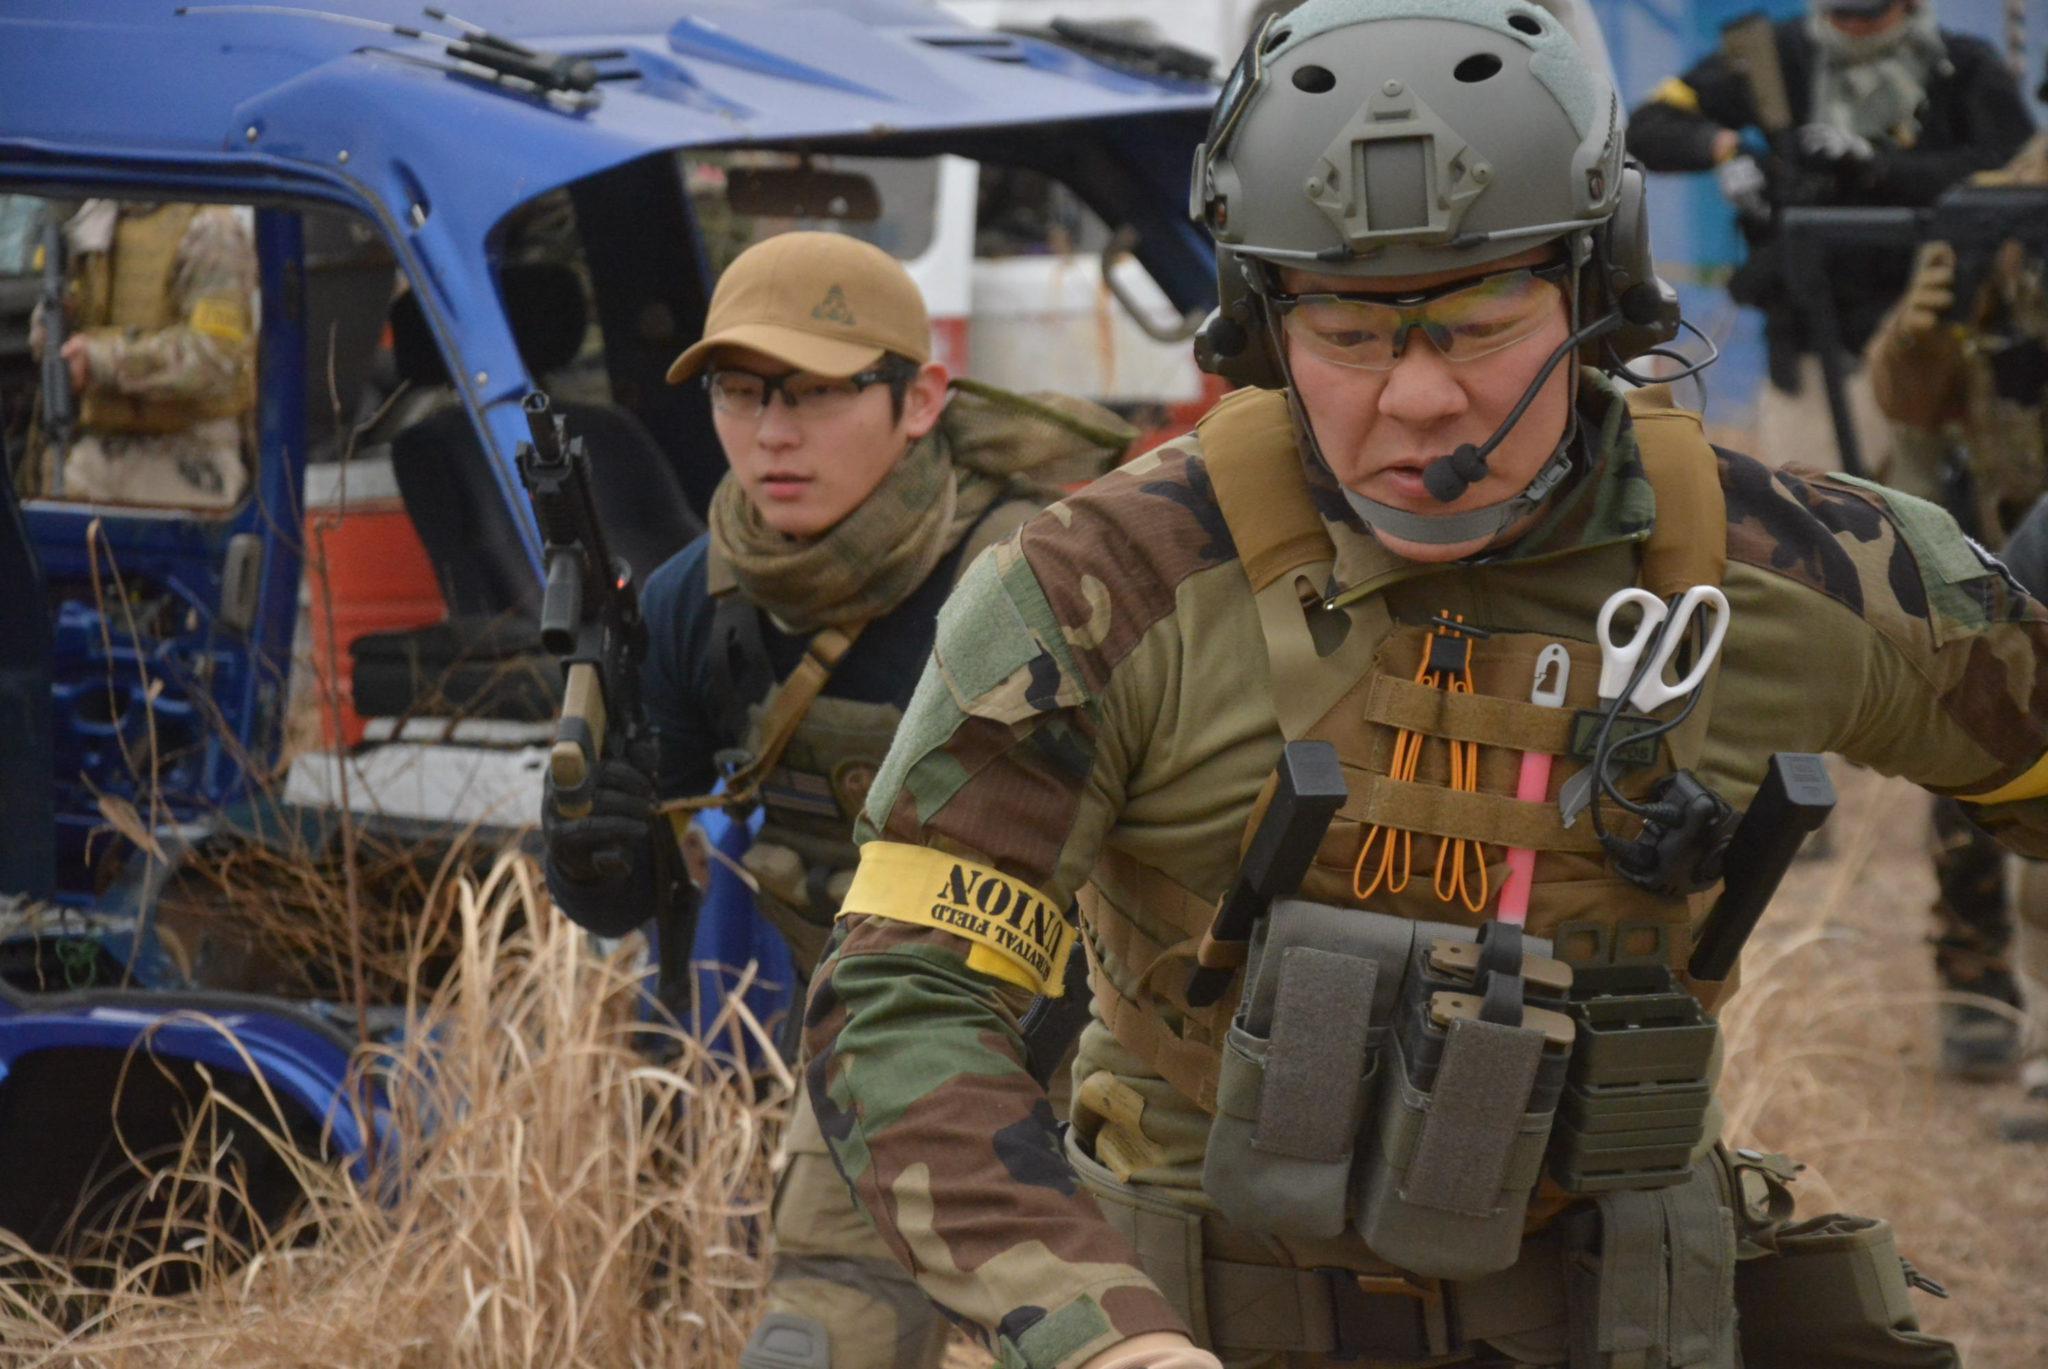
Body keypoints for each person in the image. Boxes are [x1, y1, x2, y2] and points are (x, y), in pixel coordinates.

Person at [803, 4, 2048, 1367]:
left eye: (1479, 320)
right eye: (1347, 330)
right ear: (1259, 322)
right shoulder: (1105, 587)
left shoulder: (1811, 569)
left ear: (1599, 286)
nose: (1417, 402)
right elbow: (903, 999)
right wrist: (1096, 1335)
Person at [538, 231, 1130, 1369]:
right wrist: (588, 847)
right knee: (819, 1336)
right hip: (890, 1035)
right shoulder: (701, 596)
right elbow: (631, 892)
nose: (771, 433)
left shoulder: (1046, 578)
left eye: (814, 392)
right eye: (740, 392)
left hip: (1107, 1040)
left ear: (922, 400)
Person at [1626, 0, 2032, 498]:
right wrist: (1727, 150)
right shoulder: (1776, 56)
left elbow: (2015, 173)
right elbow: (1649, 126)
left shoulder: (1961, 65)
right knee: (1808, 508)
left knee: (1938, 512)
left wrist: (1879, 168)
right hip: (1813, 344)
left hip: (1938, 346)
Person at [1865, 98, 2048, 1111]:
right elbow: (1910, 400)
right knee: (1977, 765)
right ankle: (1975, 985)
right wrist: (1919, 331)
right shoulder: (1991, 216)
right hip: (2006, 540)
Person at [32, 199, 257, 508]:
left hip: (187, 450)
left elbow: (213, 356)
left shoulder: (210, 229)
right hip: (98, 447)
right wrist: (56, 329)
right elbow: (46, 335)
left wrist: (100, 359)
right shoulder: (93, 223)